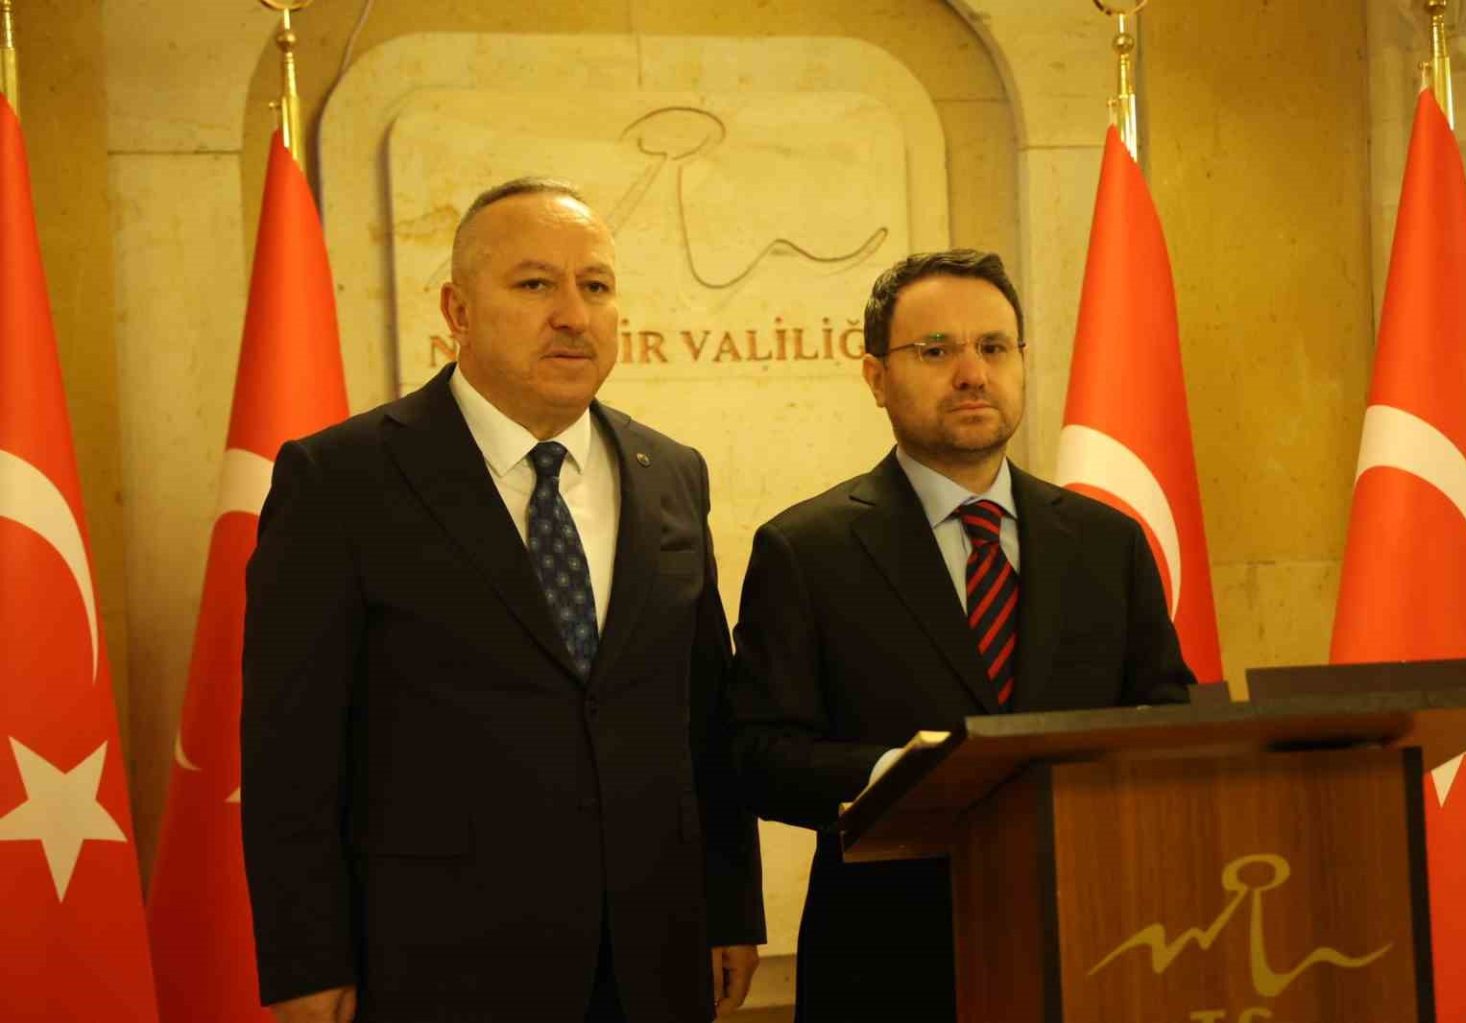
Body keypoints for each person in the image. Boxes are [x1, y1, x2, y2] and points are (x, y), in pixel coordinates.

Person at [241, 178, 764, 1023]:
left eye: (595, 286)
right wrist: (307, 958)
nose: (573, 315)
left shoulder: (671, 472)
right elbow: (290, 749)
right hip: (438, 962)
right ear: (457, 308)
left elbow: (702, 714)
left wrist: (731, 906)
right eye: (535, 284)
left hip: (654, 951)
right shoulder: (341, 479)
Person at [727, 249, 1192, 1022]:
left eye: (994, 347)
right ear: (876, 377)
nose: (973, 373)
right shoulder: (805, 550)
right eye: (937, 350)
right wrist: (904, 775)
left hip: (1099, 944)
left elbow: (1165, 717)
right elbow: (758, 753)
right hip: (889, 965)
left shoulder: (1107, 542)